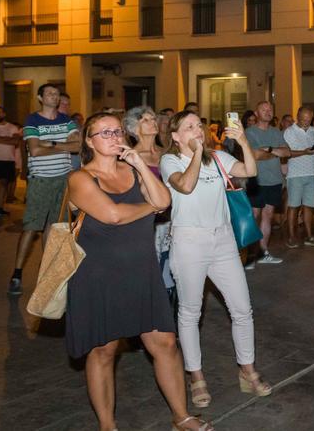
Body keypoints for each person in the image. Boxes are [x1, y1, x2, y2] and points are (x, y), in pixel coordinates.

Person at [66, 113, 207, 431]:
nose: (113, 136)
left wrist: (140, 165)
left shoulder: (131, 169)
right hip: (99, 275)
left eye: (116, 130)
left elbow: (165, 200)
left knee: (165, 344)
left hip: (141, 271)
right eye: (103, 132)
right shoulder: (80, 178)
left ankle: (181, 417)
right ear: (89, 141)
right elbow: (113, 215)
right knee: (104, 350)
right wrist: (150, 208)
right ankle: (107, 425)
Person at [161, 110, 271, 408]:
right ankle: (196, 377)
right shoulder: (170, 160)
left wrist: (243, 140)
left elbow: (250, 171)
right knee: (190, 312)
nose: (197, 130)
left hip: (223, 241)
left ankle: (247, 371)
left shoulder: (219, 156)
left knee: (242, 309)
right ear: (175, 136)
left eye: (199, 125)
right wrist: (197, 153)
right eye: (189, 127)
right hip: (189, 243)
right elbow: (184, 185)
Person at [8, 85, 81, 296]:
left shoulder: (67, 121)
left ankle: (46, 272)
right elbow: (35, 150)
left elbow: (77, 147)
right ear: (40, 97)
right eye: (49, 93)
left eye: (57, 94)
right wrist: (61, 144)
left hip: (63, 180)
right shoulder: (32, 120)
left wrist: (50, 142)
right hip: (40, 181)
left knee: (54, 226)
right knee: (31, 227)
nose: (54, 96)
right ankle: (17, 272)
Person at [123, 105, 175, 299]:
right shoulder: (131, 158)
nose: (153, 122)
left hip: (172, 218)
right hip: (148, 220)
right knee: (149, 266)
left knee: (170, 264)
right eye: (146, 120)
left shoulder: (165, 153)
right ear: (134, 128)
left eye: (153, 119)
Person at [243, 101, 286, 262]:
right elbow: (255, 155)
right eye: (264, 109)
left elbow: (286, 151)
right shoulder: (249, 132)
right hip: (257, 180)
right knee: (254, 215)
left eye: (270, 109)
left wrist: (267, 150)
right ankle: (250, 255)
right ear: (256, 112)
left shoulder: (276, 131)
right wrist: (275, 152)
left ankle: (263, 252)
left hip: (274, 180)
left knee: (268, 215)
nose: (268, 112)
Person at [283, 106, 314, 248]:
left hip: (312, 173)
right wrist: (305, 152)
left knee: (309, 206)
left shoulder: (313, 130)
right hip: (295, 174)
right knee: (293, 206)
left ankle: (309, 236)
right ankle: (291, 237)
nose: (306, 122)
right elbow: (287, 153)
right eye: (303, 119)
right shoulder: (289, 132)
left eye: (309, 119)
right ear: (297, 116)